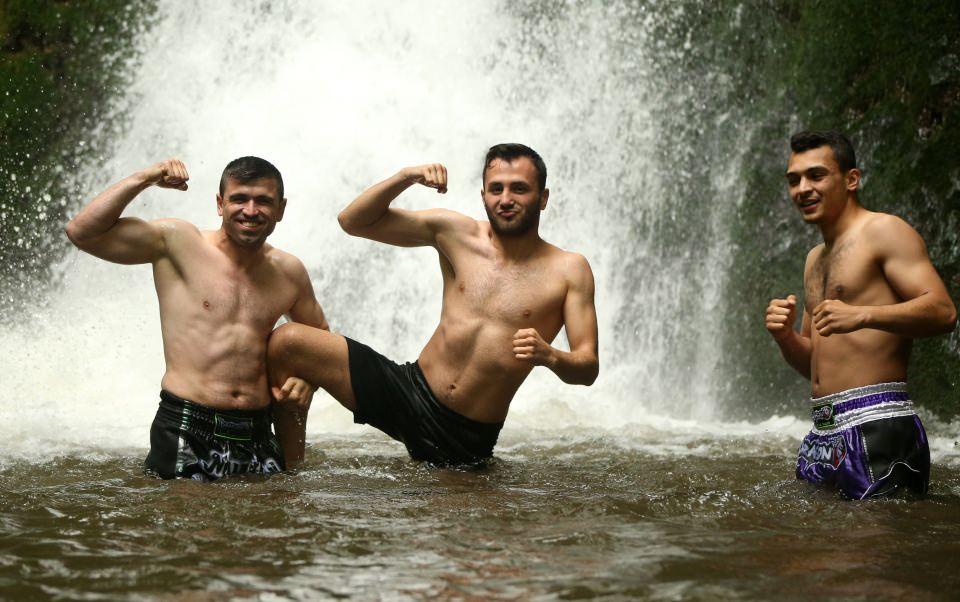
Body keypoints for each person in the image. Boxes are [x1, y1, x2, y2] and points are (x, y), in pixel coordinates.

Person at [268, 143, 599, 466]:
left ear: (542, 198)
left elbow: (587, 367)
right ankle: (290, 471)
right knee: (288, 341)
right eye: (496, 189)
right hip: (409, 391)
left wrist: (550, 356)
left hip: (466, 435)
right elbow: (353, 221)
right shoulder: (456, 233)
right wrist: (406, 176)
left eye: (519, 189)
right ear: (483, 196)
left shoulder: (569, 271)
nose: (506, 199)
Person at [65, 157, 328, 480]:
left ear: (281, 209)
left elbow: (320, 340)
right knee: (190, 525)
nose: (250, 210)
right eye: (238, 199)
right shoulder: (176, 241)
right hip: (187, 425)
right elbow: (82, 232)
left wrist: (308, 380)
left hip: (257, 431)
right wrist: (145, 177)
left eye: (263, 201)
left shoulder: (289, 272)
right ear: (220, 204)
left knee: (267, 525)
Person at [765, 130, 956, 499]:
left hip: (879, 425)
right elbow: (814, 366)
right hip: (824, 432)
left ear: (851, 179)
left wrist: (864, 315)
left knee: (871, 551)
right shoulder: (814, 260)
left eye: (816, 175)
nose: (802, 188)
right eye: (794, 180)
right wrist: (785, 336)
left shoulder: (884, 231)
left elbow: (944, 311)